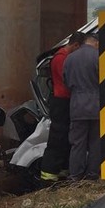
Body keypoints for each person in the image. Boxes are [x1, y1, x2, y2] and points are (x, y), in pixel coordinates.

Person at [39, 31, 85, 183]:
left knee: (66, 138)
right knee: (57, 139)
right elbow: (68, 80)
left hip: (64, 101)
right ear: (76, 45)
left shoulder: (63, 57)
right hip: (61, 102)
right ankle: (48, 176)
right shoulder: (61, 59)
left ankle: (61, 172)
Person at [63, 32, 101, 181]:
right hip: (96, 104)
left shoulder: (70, 58)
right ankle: (92, 175)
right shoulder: (99, 56)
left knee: (77, 143)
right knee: (95, 142)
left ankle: (75, 176)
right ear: (96, 43)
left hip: (77, 104)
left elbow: (66, 82)